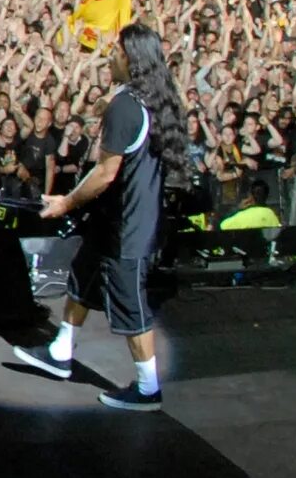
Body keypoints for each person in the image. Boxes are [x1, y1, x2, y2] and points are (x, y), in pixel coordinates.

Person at [13, 23, 186, 412]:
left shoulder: (125, 106)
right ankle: (61, 350)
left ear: (131, 58)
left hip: (128, 225)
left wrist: (66, 202)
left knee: (131, 305)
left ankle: (147, 389)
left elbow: (106, 173)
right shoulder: (154, 100)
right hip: (117, 219)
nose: (108, 57)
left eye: (115, 51)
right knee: (83, 275)